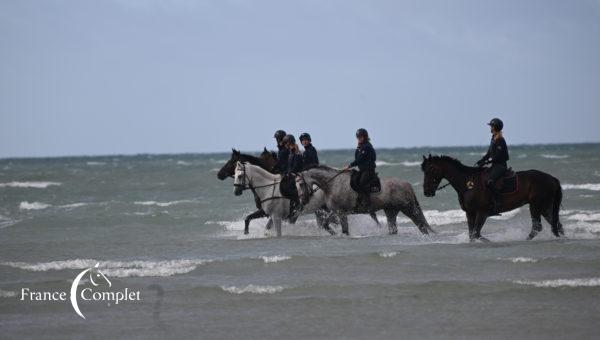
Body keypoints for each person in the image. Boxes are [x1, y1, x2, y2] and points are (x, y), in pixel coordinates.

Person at [476, 118, 510, 215]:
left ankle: (498, 203)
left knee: (490, 182)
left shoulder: (500, 140)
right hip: (495, 165)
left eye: (491, 126)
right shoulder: (493, 138)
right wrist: (482, 160)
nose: (490, 128)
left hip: (501, 166)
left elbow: (498, 156)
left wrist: (488, 161)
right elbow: (489, 153)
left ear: (495, 127)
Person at [344, 128, 377, 211]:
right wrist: (358, 147)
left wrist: (349, 165)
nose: (359, 138)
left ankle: (368, 202)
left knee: (362, 183)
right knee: (354, 180)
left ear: (365, 137)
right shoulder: (361, 146)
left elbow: (359, 159)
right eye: (358, 137)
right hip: (362, 170)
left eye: (360, 137)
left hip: (369, 170)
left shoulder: (367, 147)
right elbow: (357, 157)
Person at [282, 134, 303, 215]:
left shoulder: (296, 151)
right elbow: (290, 165)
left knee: (292, 187)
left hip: (297, 174)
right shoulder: (290, 152)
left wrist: (291, 173)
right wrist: (286, 173)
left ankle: (298, 205)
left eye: (286, 143)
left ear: (289, 142)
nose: (285, 145)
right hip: (291, 174)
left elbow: (297, 164)